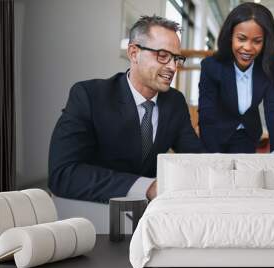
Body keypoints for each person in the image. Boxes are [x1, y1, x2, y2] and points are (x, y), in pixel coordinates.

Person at [48, 15, 203, 203]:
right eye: (163, 56)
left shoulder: (175, 102)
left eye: (176, 58)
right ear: (134, 53)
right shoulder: (89, 96)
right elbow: (63, 174)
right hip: (94, 210)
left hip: (149, 216)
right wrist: (147, 187)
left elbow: (196, 157)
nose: (172, 67)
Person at [198, 2, 274, 153]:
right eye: (242, 38)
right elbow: (207, 114)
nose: (248, 47)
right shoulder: (211, 66)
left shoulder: (269, 67)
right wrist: (213, 155)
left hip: (247, 136)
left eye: (257, 41)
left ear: (265, 42)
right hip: (215, 136)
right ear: (231, 36)